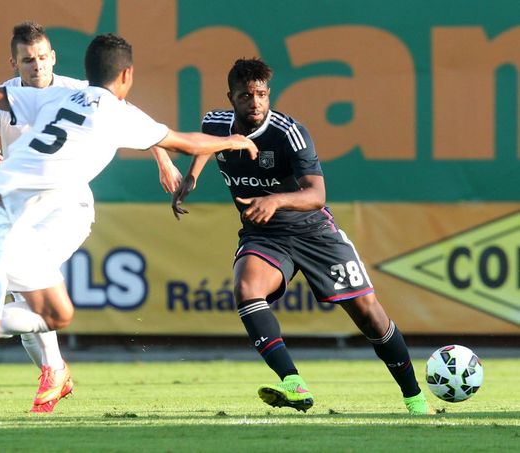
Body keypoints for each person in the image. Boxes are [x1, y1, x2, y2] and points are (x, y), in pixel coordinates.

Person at [0, 33, 257, 430]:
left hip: (6, 222)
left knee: (57, 313)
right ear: (127, 74)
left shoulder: (61, 96)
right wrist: (233, 140)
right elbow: (186, 142)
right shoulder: (114, 112)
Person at [0, 21, 183, 414]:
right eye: (28, 60)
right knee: (25, 297)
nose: (36, 66)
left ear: (53, 57)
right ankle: (54, 370)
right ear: (15, 62)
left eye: (42, 57)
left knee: (30, 294)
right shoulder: (7, 98)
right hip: (20, 212)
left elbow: (136, 121)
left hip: (66, 207)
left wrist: (162, 158)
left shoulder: (76, 91)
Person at [171, 58, 433, 415]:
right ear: (230, 97)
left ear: (269, 94)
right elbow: (208, 143)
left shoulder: (289, 133)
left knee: (370, 316)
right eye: (246, 95)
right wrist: (192, 176)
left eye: (262, 94)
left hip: (313, 233)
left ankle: (415, 398)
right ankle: (293, 383)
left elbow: (317, 195)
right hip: (264, 235)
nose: (256, 102)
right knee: (246, 290)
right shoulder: (215, 122)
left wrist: (276, 199)